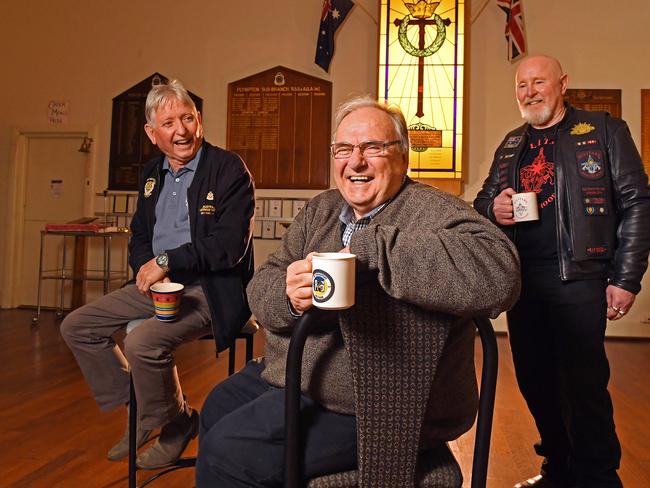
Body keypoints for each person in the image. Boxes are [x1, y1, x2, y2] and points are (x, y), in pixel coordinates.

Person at [195, 96, 521, 487]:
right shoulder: (322, 209)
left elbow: (501, 274)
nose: (356, 161)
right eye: (344, 149)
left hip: (377, 405)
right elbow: (263, 282)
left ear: (403, 158)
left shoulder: (433, 211)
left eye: (373, 148)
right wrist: (288, 296)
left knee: (229, 453)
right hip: (295, 374)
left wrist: (373, 248)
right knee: (216, 406)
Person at [474, 55, 650, 488]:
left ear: (562, 84)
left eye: (539, 82)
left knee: (583, 385)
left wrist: (626, 278)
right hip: (523, 283)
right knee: (536, 381)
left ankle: (598, 477)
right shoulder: (513, 142)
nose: (530, 92)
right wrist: (493, 208)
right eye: (522, 85)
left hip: (581, 278)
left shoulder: (604, 130)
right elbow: (482, 203)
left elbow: (637, 203)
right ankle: (558, 469)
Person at [61, 79, 255, 469]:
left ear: (199, 120)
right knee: (76, 326)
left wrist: (167, 261)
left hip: (210, 290)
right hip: (159, 285)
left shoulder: (227, 168)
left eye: (187, 118)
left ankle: (170, 425)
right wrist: (147, 270)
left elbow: (229, 247)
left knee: (142, 343)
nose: (181, 130)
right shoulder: (152, 172)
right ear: (152, 133)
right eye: (169, 123)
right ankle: (153, 411)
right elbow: (140, 236)